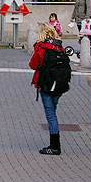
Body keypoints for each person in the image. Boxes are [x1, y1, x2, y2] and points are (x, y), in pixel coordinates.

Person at [29, 22, 66, 156]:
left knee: (51, 116)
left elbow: (33, 64)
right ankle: (54, 144)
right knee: (53, 113)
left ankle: (55, 146)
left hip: (46, 85)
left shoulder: (41, 48)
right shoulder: (59, 47)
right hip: (60, 85)